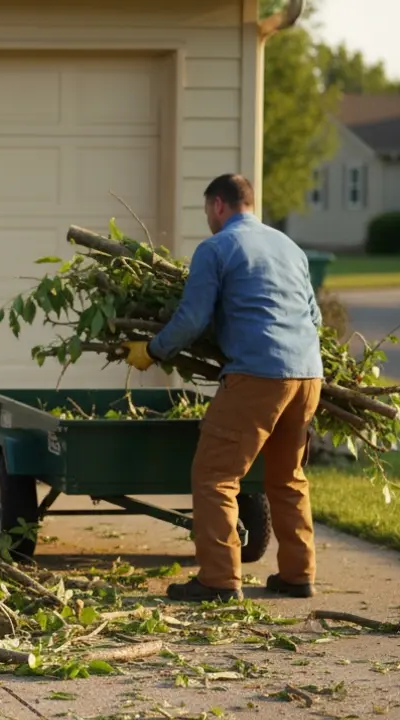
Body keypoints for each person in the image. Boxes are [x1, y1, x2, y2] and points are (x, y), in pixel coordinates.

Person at [124, 173, 324, 603]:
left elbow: (192, 319)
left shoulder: (216, 248)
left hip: (258, 376)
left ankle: (218, 580)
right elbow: (315, 318)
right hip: (309, 376)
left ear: (218, 205)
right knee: (288, 477)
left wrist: (154, 351)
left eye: (207, 211)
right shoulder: (289, 247)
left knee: (215, 476)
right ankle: (298, 574)